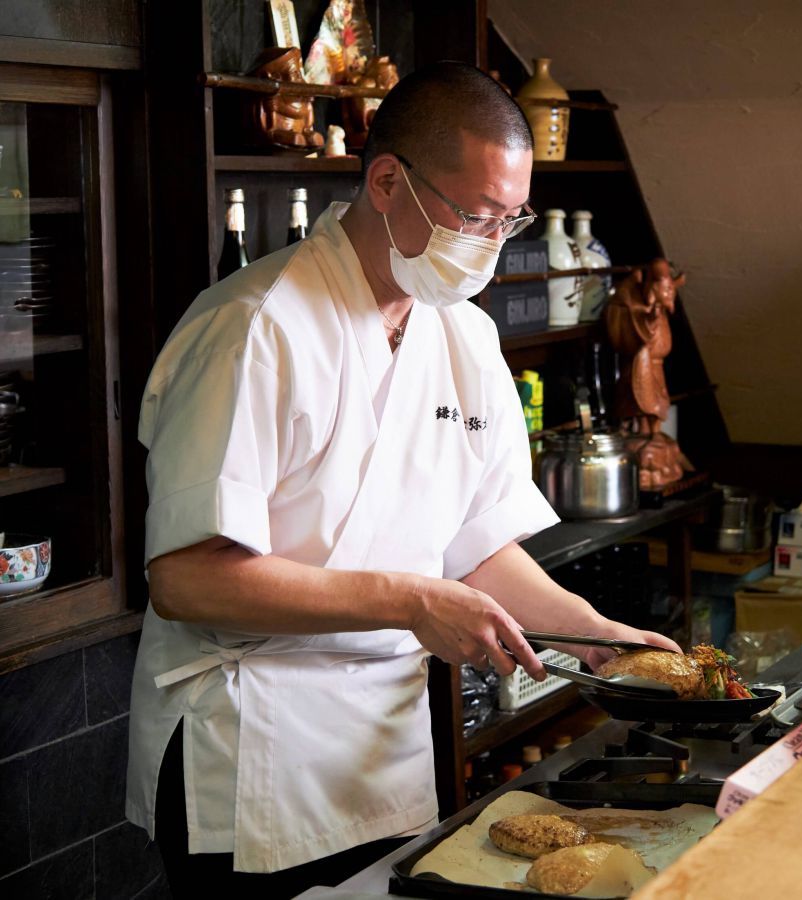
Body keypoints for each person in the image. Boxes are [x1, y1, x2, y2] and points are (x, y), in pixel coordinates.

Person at [125, 62, 679, 898]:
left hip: (381, 749)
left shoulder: (464, 340)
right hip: (250, 748)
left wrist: (592, 633)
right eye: (476, 216)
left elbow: (475, 543)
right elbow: (186, 577)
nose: (491, 243)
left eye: (510, 218)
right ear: (388, 181)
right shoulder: (255, 328)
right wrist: (412, 602)